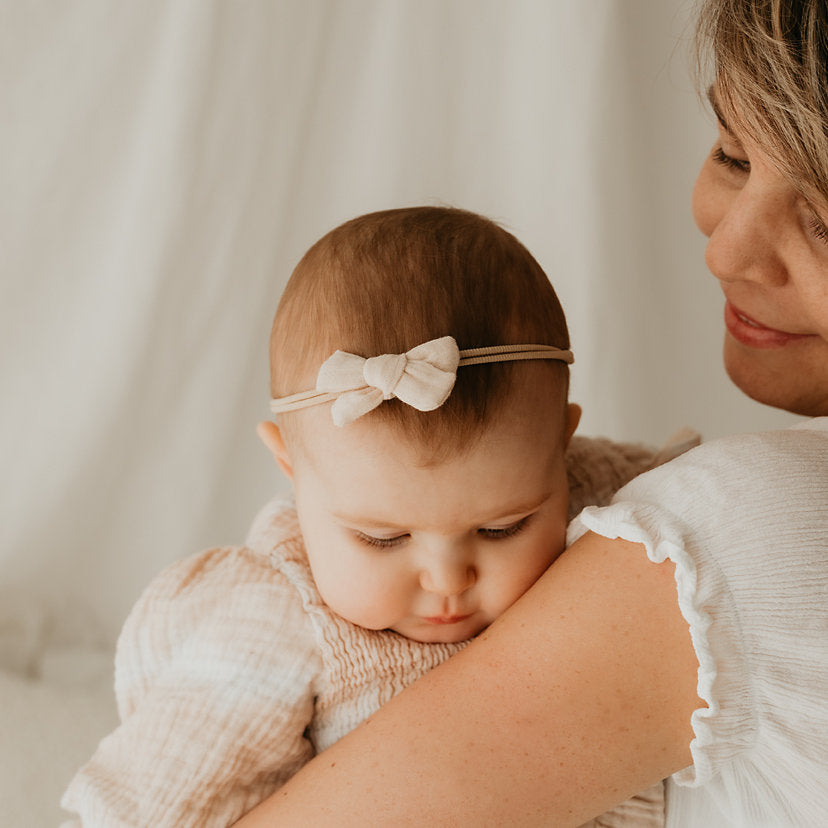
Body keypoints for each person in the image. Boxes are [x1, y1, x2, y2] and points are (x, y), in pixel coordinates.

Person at [233, 2, 828, 826]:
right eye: (730, 153)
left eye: (825, 221)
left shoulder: (748, 537)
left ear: (567, 450)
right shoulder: (254, 624)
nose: (724, 251)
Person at [60, 207, 680, 827]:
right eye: (381, 538)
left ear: (561, 448)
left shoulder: (608, 503)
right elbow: (155, 791)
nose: (446, 579)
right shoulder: (272, 624)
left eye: (501, 528)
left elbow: (707, 521)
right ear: (290, 465)